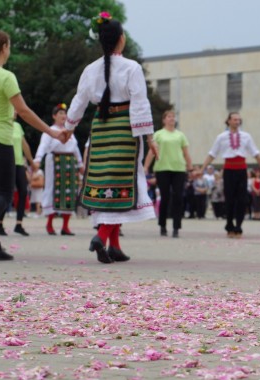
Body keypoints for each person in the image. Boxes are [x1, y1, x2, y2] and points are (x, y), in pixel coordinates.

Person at [0, 29, 67, 262]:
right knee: (5, 195)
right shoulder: (6, 77)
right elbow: (23, 111)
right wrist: (51, 131)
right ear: (3, 48)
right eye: (9, 45)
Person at [65, 12, 157, 263]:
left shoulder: (90, 69)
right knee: (122, 182)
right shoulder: (132, 67)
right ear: (120, 39)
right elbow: (139, 103)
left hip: (102, 128)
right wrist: (149, 138)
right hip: (125, 129)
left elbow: (79, 101)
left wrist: (68, 128)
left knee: (105, 181)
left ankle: (114, 245)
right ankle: (102, 235)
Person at [200, 112, 260, 238]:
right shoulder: (221, 137)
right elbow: (212, 154)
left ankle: (239, 225)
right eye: (235, 119)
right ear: (228, 121)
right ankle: (229, 223)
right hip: (229, 170)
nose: (237, 122)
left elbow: (256, 153)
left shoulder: (246, 136)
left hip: (241, 169)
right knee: (229, 199)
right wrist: (202, 168)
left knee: (242, 199)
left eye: (239, 120)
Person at [34, 103, 83, 236]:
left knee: (69, 192)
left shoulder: (70, 132)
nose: (63, 115)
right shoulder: (50, 131)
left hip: (69, 164)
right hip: (54, 162)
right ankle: (49, 224)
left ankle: (65, 226)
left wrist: (80, 164)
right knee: (52, 190)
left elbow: (76, 148)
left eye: (64, 113)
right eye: (60, 113)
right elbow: (43, 146)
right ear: (54, 116)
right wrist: (37, 159)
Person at [143, 110, 193, 237]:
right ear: (164, 120)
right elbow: (151, 152)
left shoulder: (180, 135)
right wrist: (146, 166)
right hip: (162, 168)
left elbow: (186, 152)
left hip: (179, 169)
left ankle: (176, 227)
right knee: (165, 198)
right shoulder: (159, 134)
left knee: (178, 198)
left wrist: (190, 167)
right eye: (169, 117)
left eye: (173, 117)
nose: (172, 119)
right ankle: (163, 225)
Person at [0, 113, 35, 236]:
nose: (14, 112)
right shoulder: (1, 125)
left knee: (23, 192)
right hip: (6, 163)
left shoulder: (18, 126)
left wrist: (31, 162)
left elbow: (25, 145)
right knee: (7, 194)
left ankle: (19, 224)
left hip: (19, 163)